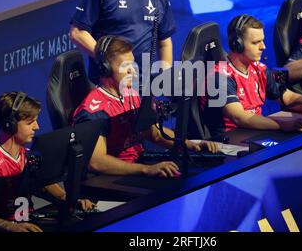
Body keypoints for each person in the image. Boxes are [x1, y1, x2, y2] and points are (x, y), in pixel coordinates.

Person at [73, 36, 218, 178]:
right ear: (105, 69)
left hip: (138, 166)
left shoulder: (131, 94)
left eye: (133, 65)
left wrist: (191, 145)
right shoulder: (94, 111)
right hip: (113, 178)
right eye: (126, 67)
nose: (134, 72)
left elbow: (152, 133)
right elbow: (97, 163)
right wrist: (146, 170)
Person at [0, 92, 94, 232]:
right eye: (30, 122)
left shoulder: (27, 156)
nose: (36, 127)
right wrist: (7, 226)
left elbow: (43, 184)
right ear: (10, 125)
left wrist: (70, 200)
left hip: (28, 222)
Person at [200, 14, 302, 138]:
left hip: (253, 132)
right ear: (237, 45)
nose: (263, 47)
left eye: (262, 41)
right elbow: (239, 118)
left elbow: (288, 97)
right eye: (255, 42)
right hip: (228, 141)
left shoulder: (259, 69)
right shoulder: (219, 77)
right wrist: (282, 125)